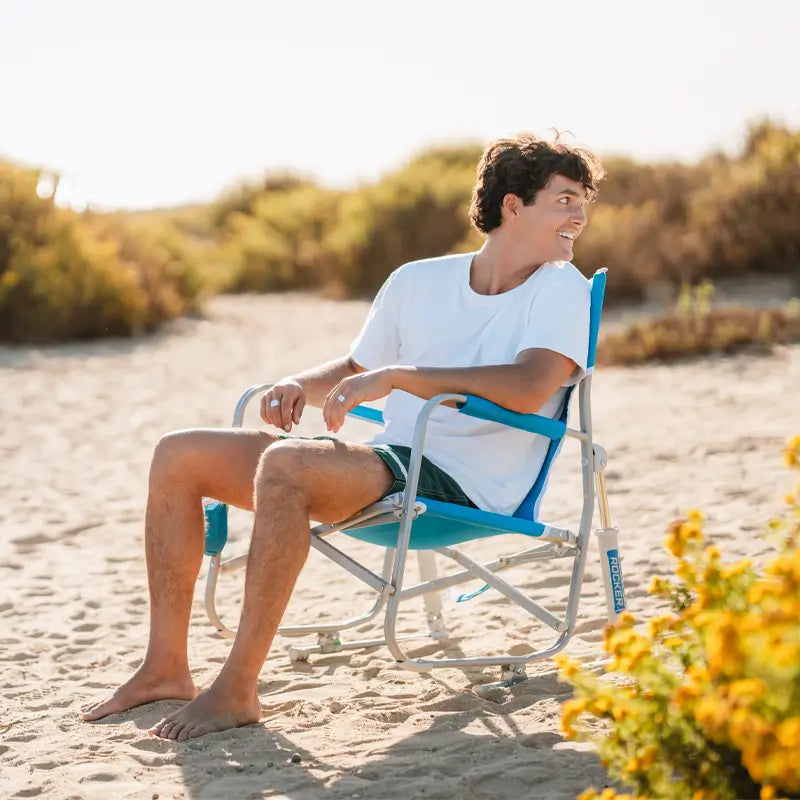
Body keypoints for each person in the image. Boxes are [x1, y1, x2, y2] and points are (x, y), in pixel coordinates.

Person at [81, 132, 604, 740]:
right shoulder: (418, 281)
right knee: (178, 454)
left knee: (287, 467)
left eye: (583, 201)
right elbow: (359, 370)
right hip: (389, 461)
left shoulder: (563, 289)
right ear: (513, 206)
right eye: (565, 199)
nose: (580, 215)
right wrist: (300, 383)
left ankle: (238, 688)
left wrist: (405, 377)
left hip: (465, 485)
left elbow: (529, 384)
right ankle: (165, 668)